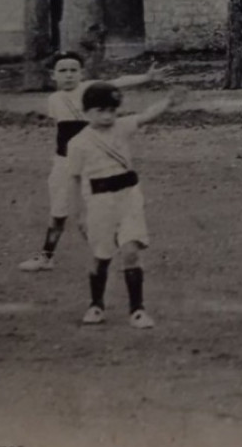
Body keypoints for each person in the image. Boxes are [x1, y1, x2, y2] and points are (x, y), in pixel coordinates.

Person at [18, 52, 168, 272]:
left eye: (73, 70)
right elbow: (60, 131)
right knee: (58, 212)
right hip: (64, 162)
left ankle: (122, 251)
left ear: (82, 73)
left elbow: (117, 83)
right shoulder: (53, 100)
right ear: (53, 75)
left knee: (107, 207)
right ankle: (47, 256)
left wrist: (147, 78)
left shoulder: (89, 90)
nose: (68, 75)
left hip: (94, 162)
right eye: (63, 71)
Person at [66, 81, 184, 329]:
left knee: (131, 250)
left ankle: (137, 309)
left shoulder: (122, 127)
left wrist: (168, 102)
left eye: (112, 110)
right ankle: (96, 304)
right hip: (99, 201)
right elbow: (75, 179)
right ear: (86, 112)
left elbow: (145, 116)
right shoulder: (79, 142)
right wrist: (80, 214)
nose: (108, 116)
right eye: (100, 110)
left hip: (128, 197)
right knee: (102, 255)